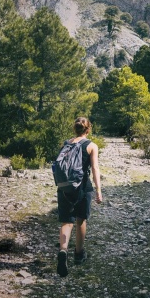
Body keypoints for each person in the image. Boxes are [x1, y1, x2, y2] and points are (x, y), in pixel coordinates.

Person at [56, 117, 102, 277]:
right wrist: (98, 190)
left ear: (74, 129)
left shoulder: (66, 144)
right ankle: (78, 254)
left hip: (64, 187)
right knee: (81, 219)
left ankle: (63, 250)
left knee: (66, 221)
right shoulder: (91, 146)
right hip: (82, 187)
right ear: (88, 129)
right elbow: (95, 168)